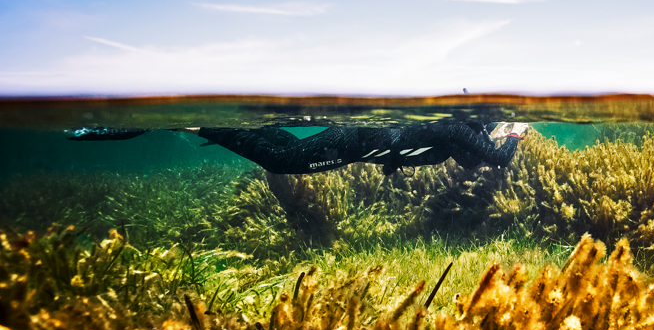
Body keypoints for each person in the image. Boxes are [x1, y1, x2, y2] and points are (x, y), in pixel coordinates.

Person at [68, 121, 529, 175]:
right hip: (354, 140)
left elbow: (473, 161)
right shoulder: (456, 129)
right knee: (284, 162)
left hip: (358, 144)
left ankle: (221, 125)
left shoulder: (457, 136)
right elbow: (494, 161)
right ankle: (199, 122)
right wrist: (516, 132)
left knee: (287, 146)